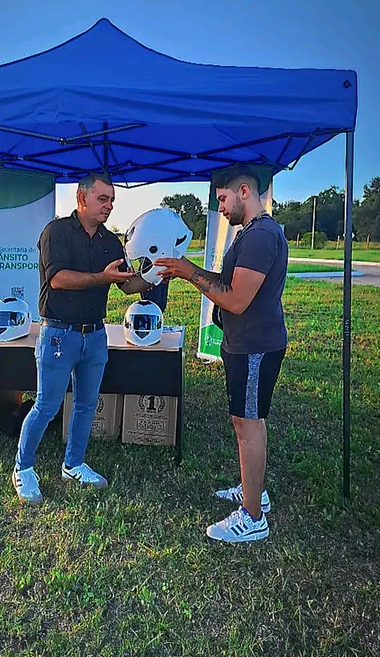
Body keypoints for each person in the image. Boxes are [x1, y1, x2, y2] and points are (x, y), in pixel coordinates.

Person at [155, 165, 288, 543]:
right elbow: (226, 283)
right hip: (243, 343)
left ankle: (253, 516)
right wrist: (188, 269)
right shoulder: (251, 233)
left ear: (244, 191)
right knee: (245, 421)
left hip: (255, 347)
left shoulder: (261, 236)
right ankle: (253, 490)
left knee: (249, 426)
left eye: (223, 200)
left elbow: (236, 299)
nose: (222, 208)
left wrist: (187, 272)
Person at [13, 173, 151, 504]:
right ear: (81, 198)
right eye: (103, 199)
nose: (109, 206)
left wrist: (155, 275)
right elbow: (58, 279)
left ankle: (73, 464)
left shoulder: (111, 242)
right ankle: (23, 468)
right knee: (46, 406)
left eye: (112, 200)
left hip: (95, 335)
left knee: (87, 405)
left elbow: (126, 285)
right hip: (59, 335)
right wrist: (102, 277)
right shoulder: (56, 232)